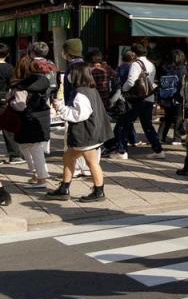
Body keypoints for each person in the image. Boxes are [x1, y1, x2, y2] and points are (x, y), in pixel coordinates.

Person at [46, 64, 112, 202]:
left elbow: (80, 115)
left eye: (70, 74)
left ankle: (96, 191)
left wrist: (61, 108)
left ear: (76, 75)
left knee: (89, 162)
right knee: (71, 158)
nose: (68, 76)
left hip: (85, 134)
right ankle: (66, 188)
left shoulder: (80, 93)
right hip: (93, 133)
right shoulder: (90, 89)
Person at [8, 56, 52, 185]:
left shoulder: (21, 86)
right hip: (42, 116)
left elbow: (20, 105)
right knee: (31, 147)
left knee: (30, 148)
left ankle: (41, 178)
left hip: (27, 119)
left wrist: (11, 103)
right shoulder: (44, 81)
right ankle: (37, 175)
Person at [120, 43, 164, 160]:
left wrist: (123, 90)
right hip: (149, 98)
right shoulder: (151, 64)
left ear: (134, 53)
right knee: (147, 125)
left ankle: (122, 151)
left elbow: (131, 81)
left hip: (137, 99)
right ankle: (158, 149)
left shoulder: (136, 64)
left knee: (125, 123)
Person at [157, 49, 187, 146]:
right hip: (177, 96)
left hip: (165, 96)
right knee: (178, 117)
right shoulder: (183, 69)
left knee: (167, 117)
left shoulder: (164, 67)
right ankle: (176, 138)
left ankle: (160, 137)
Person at [0, 42, 21, 164]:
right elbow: (13, 84)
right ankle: (14, 155)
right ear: (7, 54)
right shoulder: (9, 68)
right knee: (8, 127)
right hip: (5, 99)